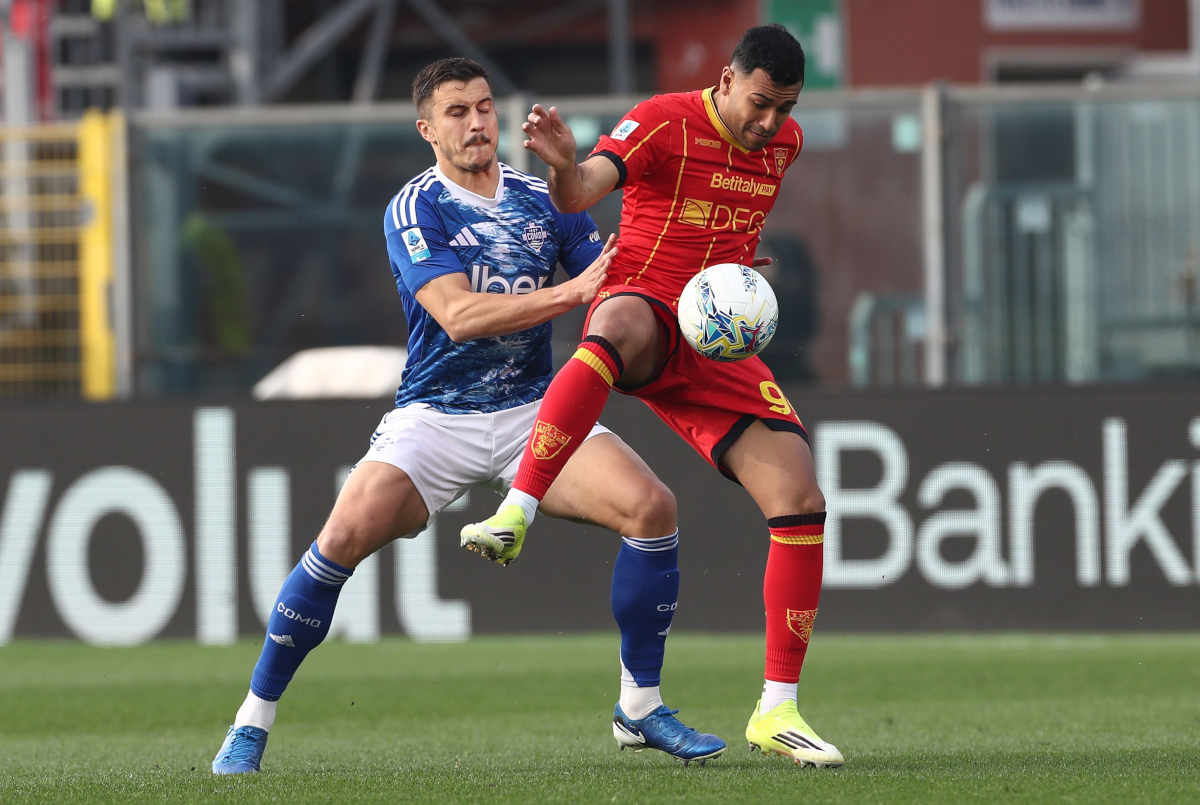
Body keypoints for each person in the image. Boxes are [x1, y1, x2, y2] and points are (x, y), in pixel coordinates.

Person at [211, 58, 724, 774]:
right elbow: (457, 315)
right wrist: (568, 294)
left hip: (532, 415)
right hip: (434, 417)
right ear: (427, 129)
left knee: (653, 508)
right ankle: (250, 722)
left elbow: (614, 279)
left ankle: (639, 707)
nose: (477, 121)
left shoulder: (543, 200)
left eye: (484, 107)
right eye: (457, 112)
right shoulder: (415, 207)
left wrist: (705, 283)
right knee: (340, 538)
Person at [461, 25, 843, 767]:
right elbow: (581, 192)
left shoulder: (784, 143)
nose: (770, 123)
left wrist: (735, 264)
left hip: (715, 333)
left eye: (785, 107)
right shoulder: (665, 119)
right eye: (761, 103)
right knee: (615, 328)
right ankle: (518, 508)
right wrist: (567, 168)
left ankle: (778, 708)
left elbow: (727, 219)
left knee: (801, 495)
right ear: (728, 79)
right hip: (641, 299)